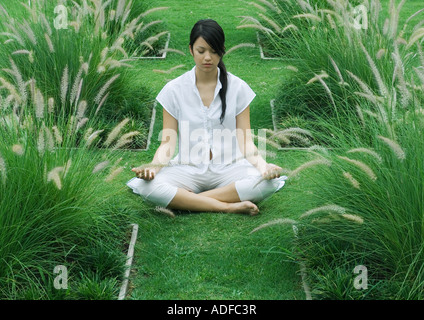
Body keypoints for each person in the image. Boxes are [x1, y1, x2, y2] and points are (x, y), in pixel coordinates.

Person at [127, 19, 286, 215]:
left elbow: (245, 141)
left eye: (214, 51)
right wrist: (153, 167)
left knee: (268, 184)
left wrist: (264, 167)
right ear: (191, 50)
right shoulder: (173, 90)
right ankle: (228, 206)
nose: (207, 58)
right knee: (145, 186)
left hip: (230, 167)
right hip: (188, 169)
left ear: (222, 50)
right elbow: (167, 145)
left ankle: (189, 200)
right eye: (201, 51)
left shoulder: (238, 88)